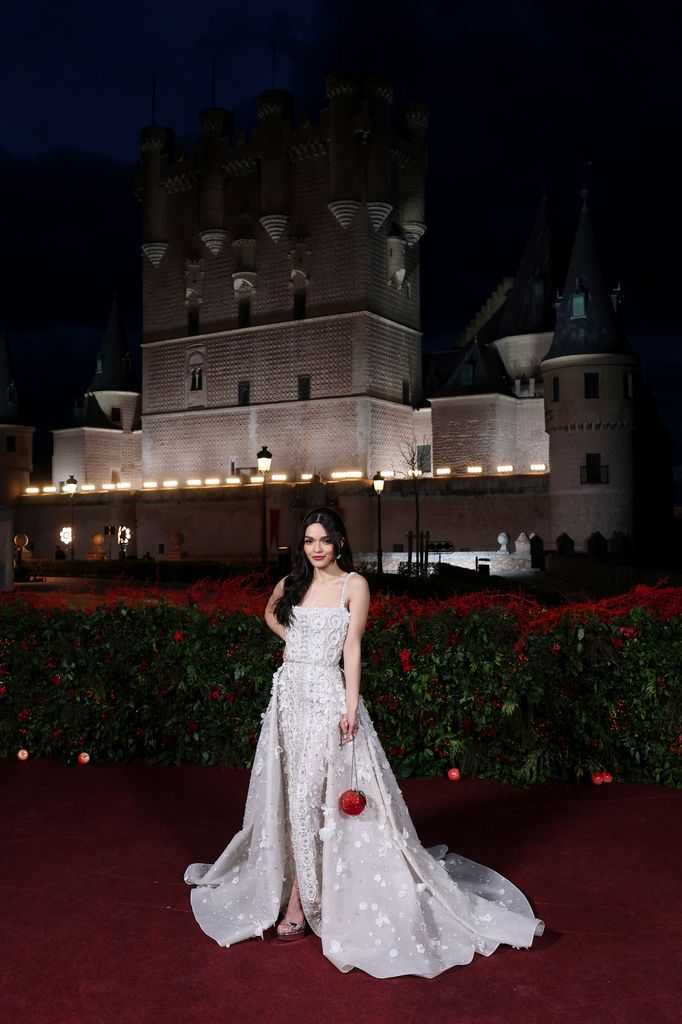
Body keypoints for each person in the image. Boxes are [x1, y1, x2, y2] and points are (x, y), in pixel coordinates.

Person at [185, 507, 544, 978]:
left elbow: (352, 646)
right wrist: (288, 639)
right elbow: (269, 612)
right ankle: (295, 884)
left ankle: (302, 901)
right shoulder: (293, 584)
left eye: (325, 540)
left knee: (314, 796)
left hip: (327, 700)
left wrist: (350, 706)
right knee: (292, 794)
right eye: (310, 540)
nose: (316, 548)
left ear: (339, 542)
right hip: (288, 697)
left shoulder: (354, 585)